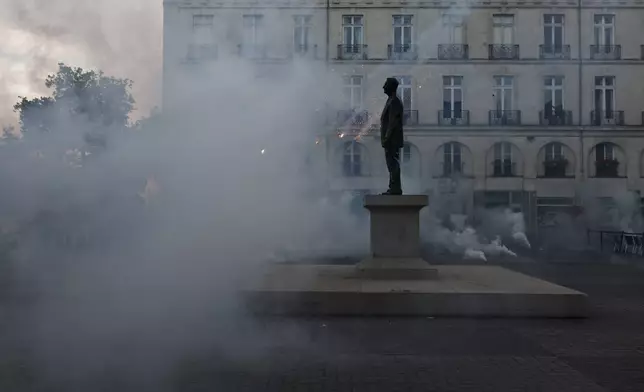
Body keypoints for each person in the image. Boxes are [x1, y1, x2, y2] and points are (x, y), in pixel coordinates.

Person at [380, 77, 404, 195]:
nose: (383, 87)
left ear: (391, 87)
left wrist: (386, 137)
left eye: (385, 84)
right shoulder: (391, 100)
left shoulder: (394, 101)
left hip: (392, 139)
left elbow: (392, 122)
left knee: (393, 163)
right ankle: (393, 186)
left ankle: (395, 188)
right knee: (391, 164)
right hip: (391, 139)